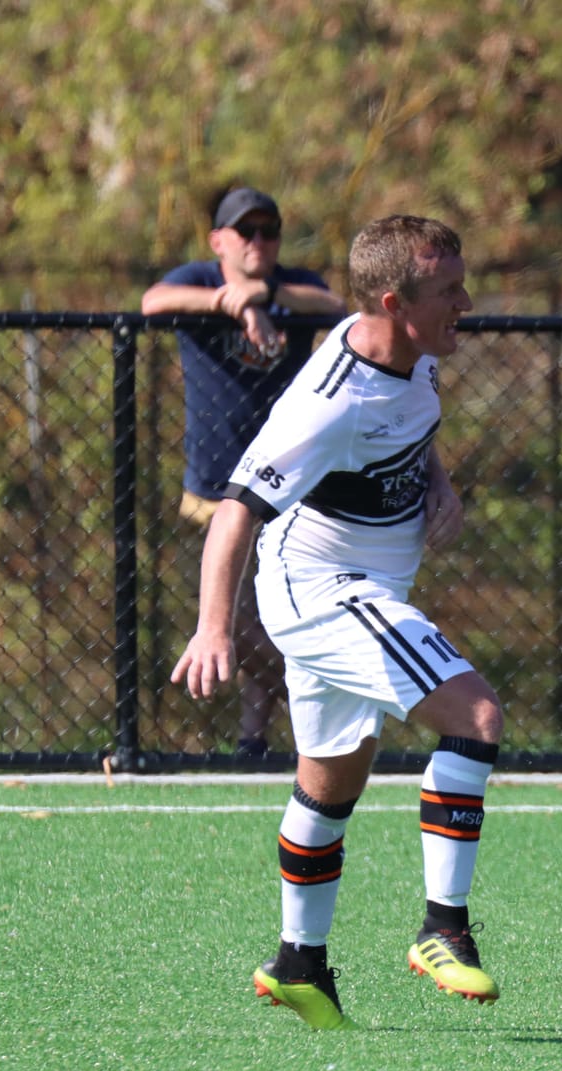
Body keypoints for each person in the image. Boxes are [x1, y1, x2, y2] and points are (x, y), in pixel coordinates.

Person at [172, 215, 500, 1031]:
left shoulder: (415, 350)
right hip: (323, 588)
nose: (467, 299)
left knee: (332, 781)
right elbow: (232, 515)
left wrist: (441, 482)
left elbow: (412, 422)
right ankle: (442, 927)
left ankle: (298, 964)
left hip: (359, 584)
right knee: (476, 716)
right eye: (449, 289)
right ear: (394, 300)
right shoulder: (329, 404)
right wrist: (214, 627)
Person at [144, 187, 348, 757]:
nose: (259, 241)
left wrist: (267, 293)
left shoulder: (295, 285)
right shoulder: (199, 280)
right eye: (246, 231)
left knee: (273, 610)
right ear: (218, 241)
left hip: (288, 486)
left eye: (269, 230)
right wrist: (232, 303)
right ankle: (316, 693)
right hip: (214, 486)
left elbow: (339, 309)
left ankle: (252, 737)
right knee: (225, 618)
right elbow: (151, 302)